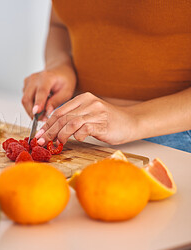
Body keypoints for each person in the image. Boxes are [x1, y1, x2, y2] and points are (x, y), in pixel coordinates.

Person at [21, 0, 191, 153]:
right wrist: (59, 64)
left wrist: (133, 119)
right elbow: (59, 25)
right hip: (72, 127)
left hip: (171, 137)